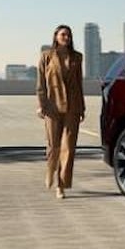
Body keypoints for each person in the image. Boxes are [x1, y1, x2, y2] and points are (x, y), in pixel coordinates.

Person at [36, 24, 85, 199]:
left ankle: (61, 185)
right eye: (63, 34)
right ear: (56, 36)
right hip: (52, 107)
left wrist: (82, 107)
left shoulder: (77, 57)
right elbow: (41, 84)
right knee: (54, 147)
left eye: (69, 35)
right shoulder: (46, 56)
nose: (66, 37)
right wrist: (41, 104)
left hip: (72, 107)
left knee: (69, 148)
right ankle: (50, 169)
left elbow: (79, 84)